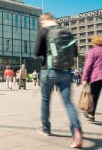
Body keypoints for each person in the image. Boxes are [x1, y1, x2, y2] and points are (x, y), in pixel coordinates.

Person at [34, 13, 82, 148]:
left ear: (43, 21)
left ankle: (46, 128)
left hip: (49, 71)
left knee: (45, 100)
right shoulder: (66, 31)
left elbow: (36, 52)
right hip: (66, 71)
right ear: (53, 20)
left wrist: (47, 51)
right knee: (68, 102)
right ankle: (76, 130)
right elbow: (75, 53)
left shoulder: (43, 31)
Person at [81, 35, 102, 122]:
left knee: (94, 96)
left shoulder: (93, 51)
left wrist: (84, 78)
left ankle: (91, 114)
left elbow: (88, 66)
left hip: (96, 77)